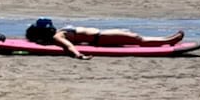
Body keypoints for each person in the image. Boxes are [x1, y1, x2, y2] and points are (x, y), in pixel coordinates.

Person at [24, 18, 184, 60]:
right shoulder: (58, 36)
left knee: (134, 36)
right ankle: (168, 41)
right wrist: (79, 55)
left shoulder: (57, 33)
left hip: (102, 35)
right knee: (137, 38)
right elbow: (68, 46)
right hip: (100, 38)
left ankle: (167, 40)